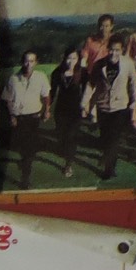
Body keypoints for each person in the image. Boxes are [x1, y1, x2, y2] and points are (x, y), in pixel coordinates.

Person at [88, 38, 136, 180]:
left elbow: (134, 84)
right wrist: (86, 105)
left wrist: (134, 103)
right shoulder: (99, 64)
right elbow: (91, 85)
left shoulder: (128, 63)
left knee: (114, 139)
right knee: (105, 139)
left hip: (120, 107)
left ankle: (109, 169)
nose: (113, 53)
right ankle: (108, 158)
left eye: (117, 50)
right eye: (111, 50)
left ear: (122, 50)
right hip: (103, 107)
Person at [3, 49, 51, 189]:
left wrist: (47, 110)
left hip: (34, 118)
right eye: (26, 61)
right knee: (24, 148)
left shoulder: (41, 77)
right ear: (22, 62)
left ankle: (25, 177)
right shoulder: (13, 79)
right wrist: (12, 116)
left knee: (30, 149)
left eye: (31, 61)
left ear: (36, 63)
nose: (28, 64)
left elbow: (46, 95)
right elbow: (7, 99)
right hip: (20, 118)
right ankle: (25, 166)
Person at [51, 49, 89, 178]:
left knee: (71, 136)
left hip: (75, 109)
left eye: (74, 58)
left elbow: (87, 90)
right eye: (68, 58)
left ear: (78, 59)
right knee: (62, 135)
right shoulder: (57, 72)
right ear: (64, 58)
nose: (71, 61)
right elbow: (52, 92)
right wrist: (46, 108)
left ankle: (68, 164)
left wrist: (85, 106)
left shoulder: (82, 72)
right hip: (61, 109)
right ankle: (64, 150)